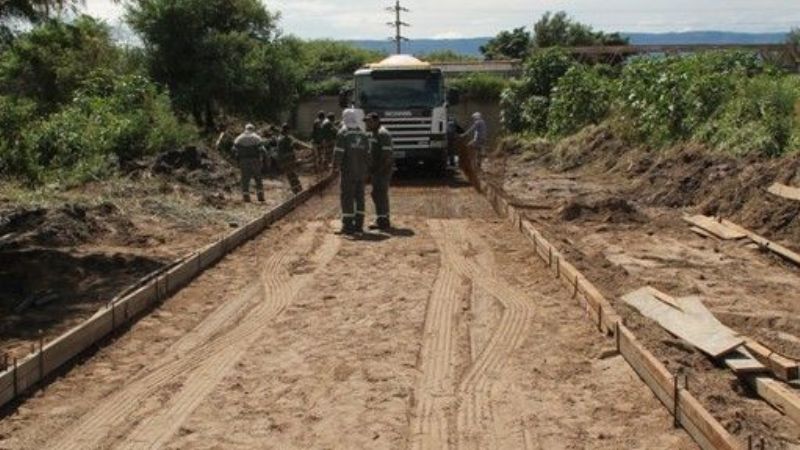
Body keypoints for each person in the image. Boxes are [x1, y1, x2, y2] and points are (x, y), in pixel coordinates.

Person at [334, 109, 370, 235]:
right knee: (360, 198)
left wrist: (334, 167)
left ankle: (348, 226)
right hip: (361, 172)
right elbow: (368, 154)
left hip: (348, 172)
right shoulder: (363, 134)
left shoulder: (343, 133)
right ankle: (359, 225)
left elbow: (338, 153)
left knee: (347, 197)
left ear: (344, 118)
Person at [366, 113, 394, 230]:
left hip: (382, 170)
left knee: (380, 194)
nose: (367, 123)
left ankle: (383, 221)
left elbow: (387, 156)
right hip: (377, 169)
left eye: (369, 121)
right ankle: (382, 218)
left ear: (376, 121)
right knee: (377, 194)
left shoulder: (383, 134)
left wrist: (379, 170)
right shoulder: (374, 133)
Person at [233, 123, 268, 202]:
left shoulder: (239, 138)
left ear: (245, 129)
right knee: (258, 178)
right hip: (255, 160)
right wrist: (265, 160)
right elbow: (263, 150)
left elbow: (234, 149)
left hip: (244, 160)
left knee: (245, 179)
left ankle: (246, 197)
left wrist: (237, 160)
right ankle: (260, 196)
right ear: (253, 129)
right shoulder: (257, 138)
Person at [276, 123, 304, 194]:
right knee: (292, 175)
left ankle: (296, 190)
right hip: (289, 159)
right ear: (287, 130)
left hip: (284, 160)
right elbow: (294, 146)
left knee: (290, 175)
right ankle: (298, 190)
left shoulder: (279, 138)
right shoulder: (286, 138)